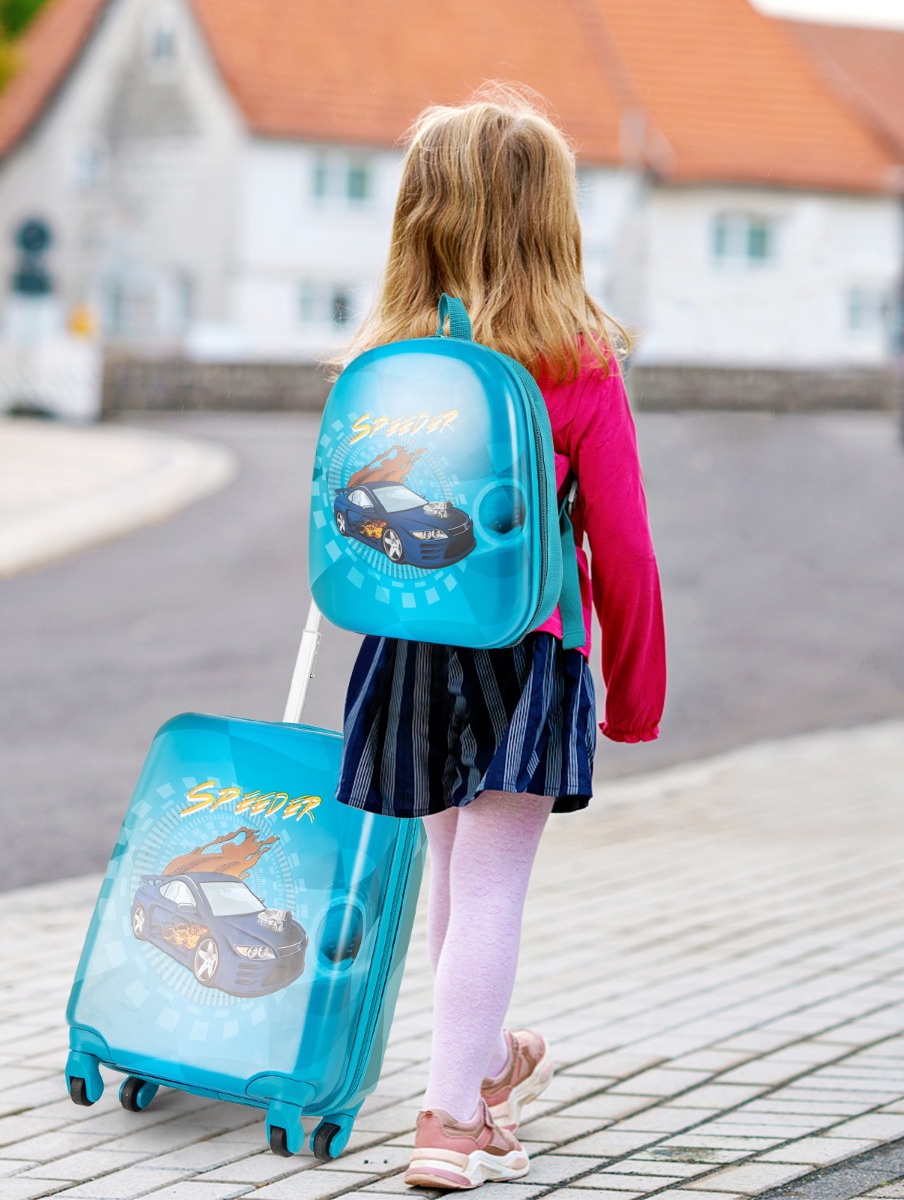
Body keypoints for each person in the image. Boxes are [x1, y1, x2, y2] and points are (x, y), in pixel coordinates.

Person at [330, 88, 667, 1191]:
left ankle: (476, 1087)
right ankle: (446, 1123)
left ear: (420, 214)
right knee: (492, 887)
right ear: (552, 219)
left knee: (447, 874)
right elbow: (621, 544)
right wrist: (635, 689)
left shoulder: (383, 359)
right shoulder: (576, 361)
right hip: (531, 647)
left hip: (411, 643)